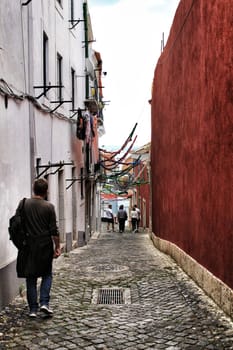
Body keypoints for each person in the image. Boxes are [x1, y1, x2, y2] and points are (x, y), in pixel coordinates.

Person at [15, 178, 61, 318]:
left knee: (31, 278)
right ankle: (44, 303)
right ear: (46, 191)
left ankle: (33, 309)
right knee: (47, 274)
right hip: (44, 246)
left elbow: (17, 225)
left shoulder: (23, 204)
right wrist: (57, 247)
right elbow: (54, 230)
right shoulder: (49, 207)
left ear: (33, 188)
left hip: (27, 246)